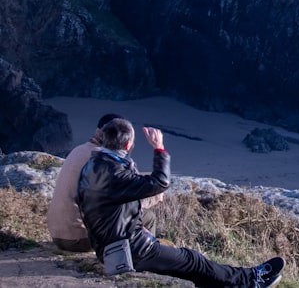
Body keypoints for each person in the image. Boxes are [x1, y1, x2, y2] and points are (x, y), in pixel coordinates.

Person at [77, 117, 284, 288]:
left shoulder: (92, 166)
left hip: (111, 247)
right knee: (193, 260)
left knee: (188, 263)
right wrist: (159, 148)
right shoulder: (113, 172)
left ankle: (232, 280)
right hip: (129, 250)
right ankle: (250, 281)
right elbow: (160, 182)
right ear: (128, 144)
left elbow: (113, 209)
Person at [47, 113, 142, 251]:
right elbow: (130, 198)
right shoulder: (104, 161)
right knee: (145, 217)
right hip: (80, 238)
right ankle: (135, 259)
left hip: (58, 235)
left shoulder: (78, 150)